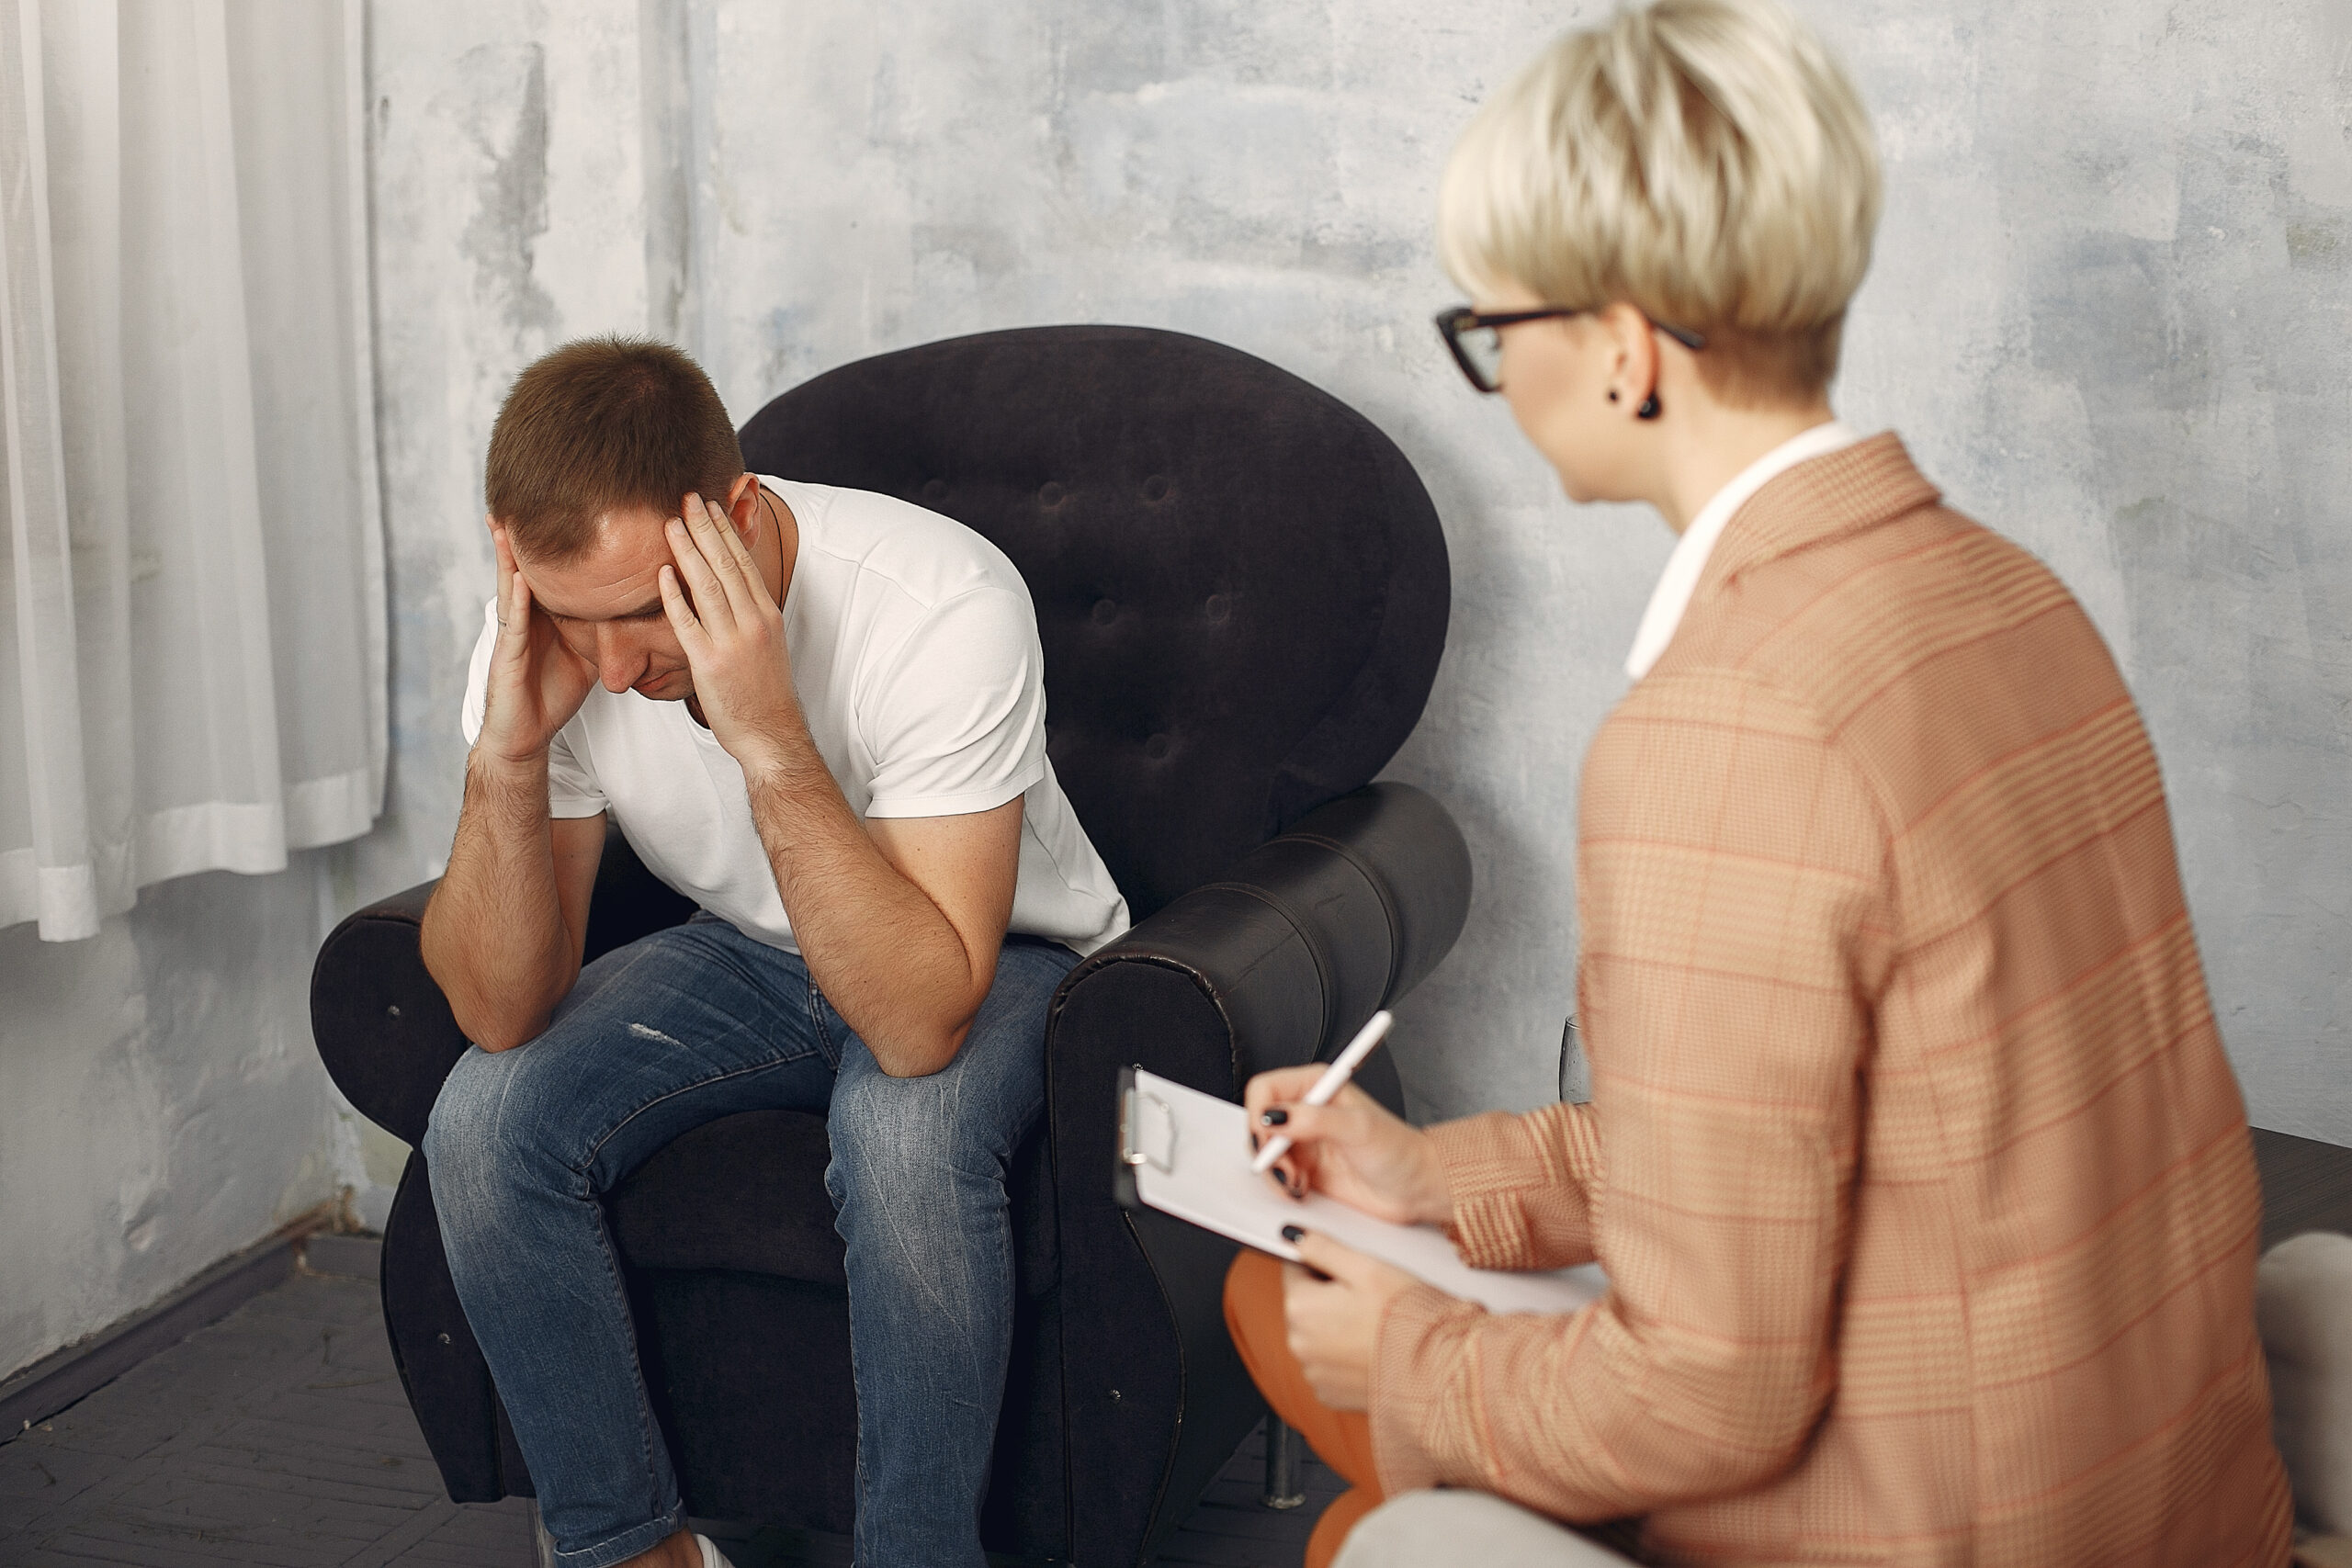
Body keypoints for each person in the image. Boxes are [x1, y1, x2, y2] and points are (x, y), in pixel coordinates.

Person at [1222, 3, 2294, 1564]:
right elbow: (1858, 1130)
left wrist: (1412, 1360)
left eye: (1494, 328)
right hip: (2164, 1477)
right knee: (1301, 1300)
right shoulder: (2014, 596)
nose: (1498, 375)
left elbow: (1714, 1399)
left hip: (1942, 1515)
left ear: (1627, 347)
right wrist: (1433, 1173)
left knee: (1340, 1461)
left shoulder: (1722, 734)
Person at [415, 337, 1128, 1568]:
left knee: (901, 1130)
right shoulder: (556, 640)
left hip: (992, 957)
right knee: (482, 1120)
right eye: (578, 623)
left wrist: (764, 731)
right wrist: (509, 758)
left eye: (648, 612)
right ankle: (630, 1552)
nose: (617, 670)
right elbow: (498, 1009)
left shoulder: (941, 603)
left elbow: (916, 1023)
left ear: (736, 519)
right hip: (753, 953)